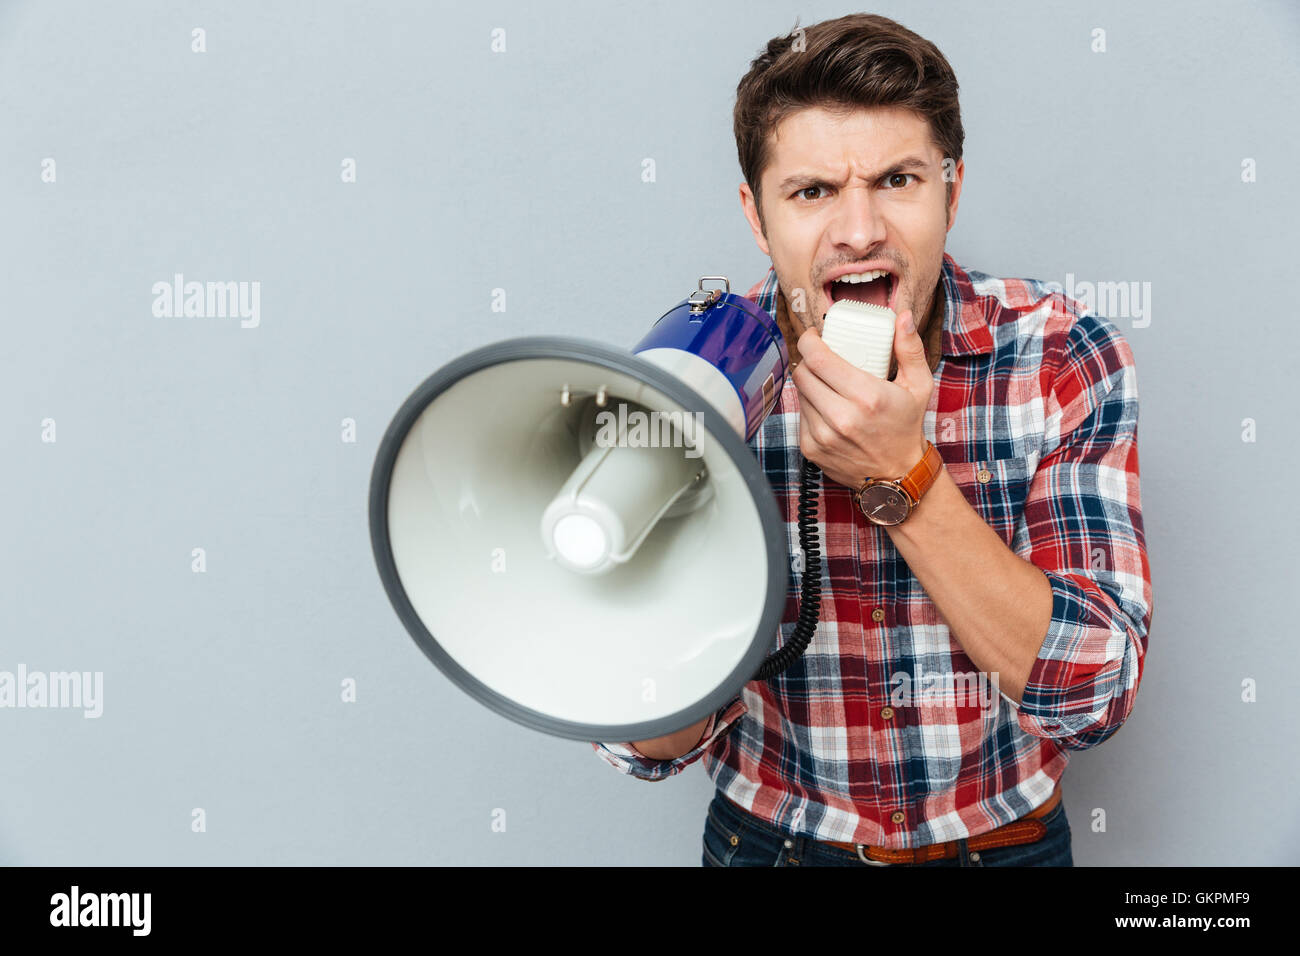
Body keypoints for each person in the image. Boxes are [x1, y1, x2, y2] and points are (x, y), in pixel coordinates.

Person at [591, 12, 1152, 867]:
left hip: (1005, 844)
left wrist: (903, 474)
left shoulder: (1061, 353)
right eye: (812, 192)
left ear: (951, 193)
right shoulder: (697, 380)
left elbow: (1092, 696)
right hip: (771, 844)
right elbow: (649, 748)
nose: (859, 230)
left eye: (897, 179)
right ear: (757, 215)